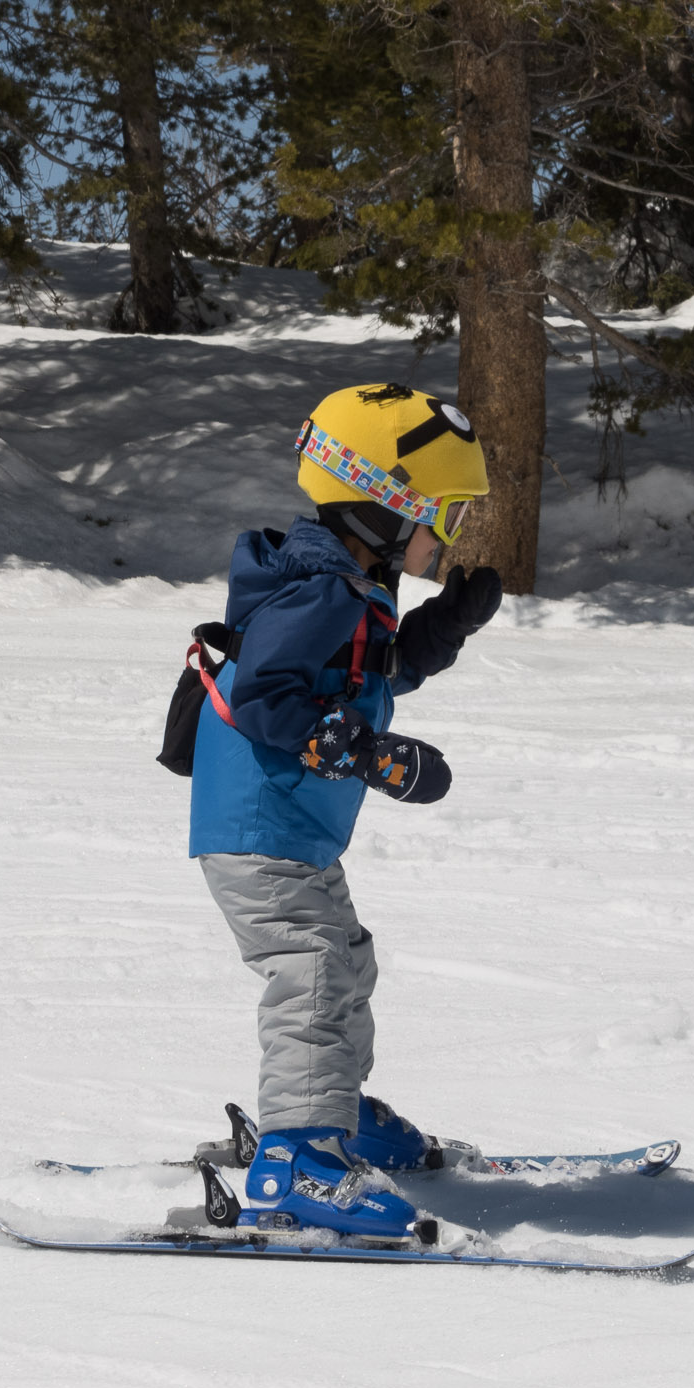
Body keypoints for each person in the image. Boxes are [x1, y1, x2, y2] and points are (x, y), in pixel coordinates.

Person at [188, 382, 503, 1237]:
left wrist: (443, 631)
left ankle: (333, 1107)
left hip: (292, 829)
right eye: (444, 510)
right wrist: (369, 754)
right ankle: (299, 1158)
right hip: (260, 829)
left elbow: (369, 673)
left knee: (344, 963)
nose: (453, 530)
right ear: (385, 507)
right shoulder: (320, 594)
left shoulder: (348, 586)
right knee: (313, 972)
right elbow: (267, 696)